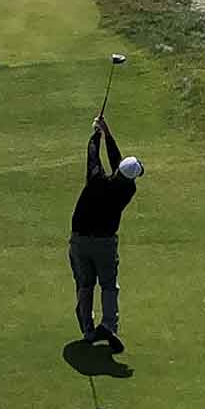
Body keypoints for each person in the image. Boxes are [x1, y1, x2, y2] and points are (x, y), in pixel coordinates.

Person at [69, 114, 142, 354]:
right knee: (109, 286)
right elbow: (118, 163)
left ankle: (88, 330)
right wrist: (107, 134)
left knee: (85, 285)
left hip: (80, 240)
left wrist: (96, 136)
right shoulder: (127, 190)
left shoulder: (95, 180)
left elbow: (94, 157)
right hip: (105, 244)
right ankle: (108, 325)